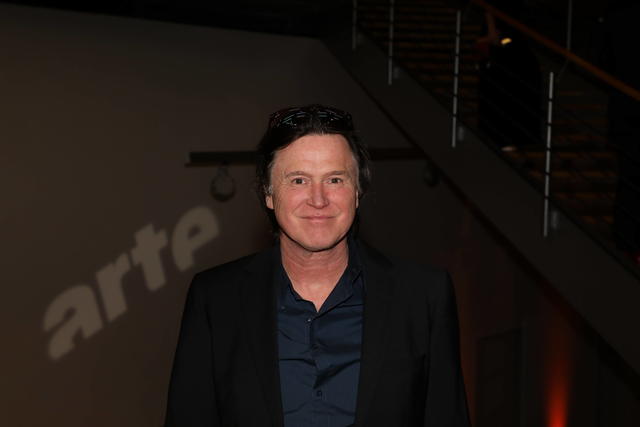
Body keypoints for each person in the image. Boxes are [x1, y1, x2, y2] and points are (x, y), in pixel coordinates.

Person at [164, 104, 471, 427]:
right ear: (268, 193)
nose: (319, 199)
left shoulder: (423, 296)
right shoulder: (215, 299)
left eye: (335, 179)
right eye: (298, 180)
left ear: (357, 192)